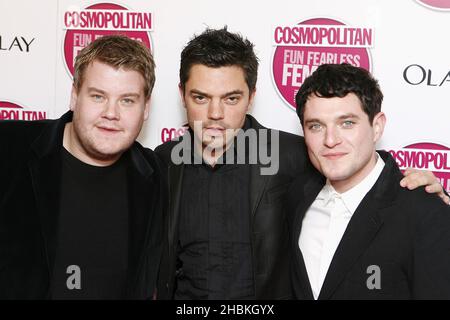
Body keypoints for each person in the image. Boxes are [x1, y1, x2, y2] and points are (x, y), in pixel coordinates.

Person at [155, 28, 447, 300]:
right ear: (182, 95)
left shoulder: (295, 156)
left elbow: (360, 173)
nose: (215, 113)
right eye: (200, 97)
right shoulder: (163, 161)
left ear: (251, 97)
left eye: (231, 98)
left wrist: (422, 191)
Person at [0, 35, 165, 299]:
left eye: (127, 100)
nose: (111, 113)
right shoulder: (9, 148)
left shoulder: (156, 175)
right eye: (98, 96)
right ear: (75, 96)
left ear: (146, 108)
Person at [288, 63, 450, 299]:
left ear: (377, 127)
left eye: (347, 123)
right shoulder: (296, 195)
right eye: (316, 126)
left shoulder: (425, 211)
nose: (330, 140)